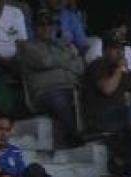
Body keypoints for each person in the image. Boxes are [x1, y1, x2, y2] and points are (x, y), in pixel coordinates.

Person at [17, 8, 84, 146]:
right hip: (45, 93)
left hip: (71, 88)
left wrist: (58, 61)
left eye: (50, 24)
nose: (46, 28)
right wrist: (68, 59)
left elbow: (80, 66)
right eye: (42, 25)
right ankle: (73, 136)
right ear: (35, 27)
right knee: (58, 98)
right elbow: (44, 61)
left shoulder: (61, 45)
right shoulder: (27, 46)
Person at [82, 29, 131, 134]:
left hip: (119, 114)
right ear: (104, 50)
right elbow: (107, 89)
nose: (120, 52)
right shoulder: (96, 65)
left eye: (122, 48)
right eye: (115, 48)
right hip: (99, 118)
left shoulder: (120, 69)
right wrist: (119, 69)